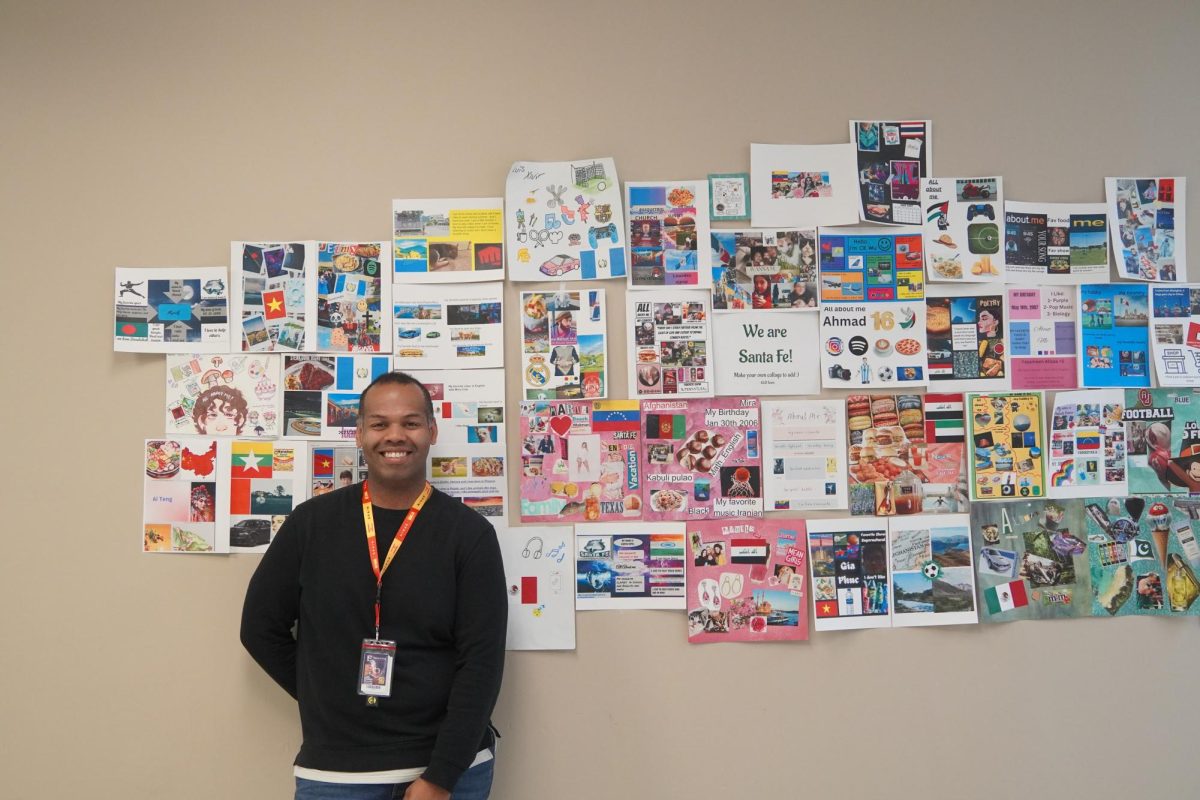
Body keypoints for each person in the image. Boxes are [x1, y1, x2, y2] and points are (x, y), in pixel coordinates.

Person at [241, 372, 507, 800]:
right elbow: (259, 628)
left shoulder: (468, 534)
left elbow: (482, 662)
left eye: (411, 422)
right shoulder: (310, 524)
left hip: (447, 767)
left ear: (432, 431)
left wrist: (441, 776)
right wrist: (324, 695)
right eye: (380, 424)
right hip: (338, 772)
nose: (396, 436)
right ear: (361, 433)